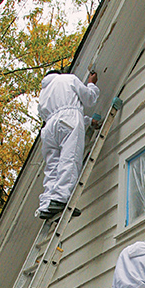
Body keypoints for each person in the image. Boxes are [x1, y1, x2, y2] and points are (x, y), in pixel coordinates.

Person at [37, 69, 100, 219]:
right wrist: (91, 84)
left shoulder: (43, 95)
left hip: (49, 129)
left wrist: (89, 121)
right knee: (69, 158)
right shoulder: (67, 79)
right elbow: (89, 99)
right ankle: (60, 199)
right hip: (68, 121)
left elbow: (60, 114)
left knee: (52, 166)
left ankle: (46, 203)